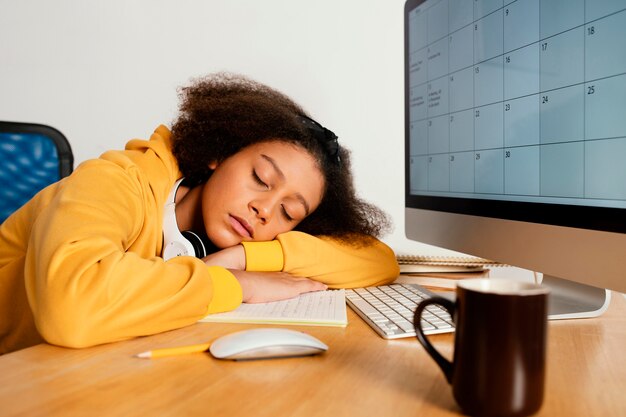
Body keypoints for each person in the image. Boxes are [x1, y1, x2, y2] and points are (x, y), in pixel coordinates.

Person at [0, 73, 399, 354]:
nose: (264, 210)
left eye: (289, 212)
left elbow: (379, 261)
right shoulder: (113, 180)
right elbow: (71, 308)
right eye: (260, 178)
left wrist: (251, 257)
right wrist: (231, 283)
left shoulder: (243, 238)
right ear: (217, 154)